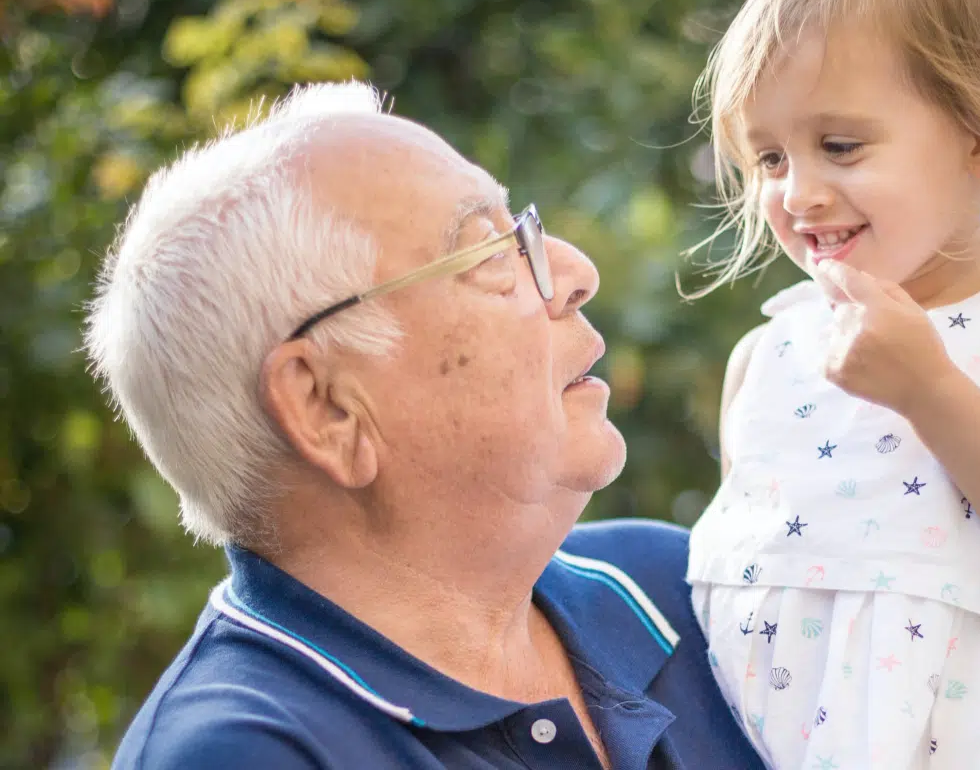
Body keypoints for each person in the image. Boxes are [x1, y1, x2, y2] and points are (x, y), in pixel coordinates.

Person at [84, 81, 764, 770]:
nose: (574, 272)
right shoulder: (243, 752)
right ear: (327, 407)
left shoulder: (680, 586)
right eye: (490, 252)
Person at [683, 0, 980, 768]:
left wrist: (930, 391)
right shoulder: (766, 358)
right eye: (768, 158)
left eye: (839, 146)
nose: (799, 193)